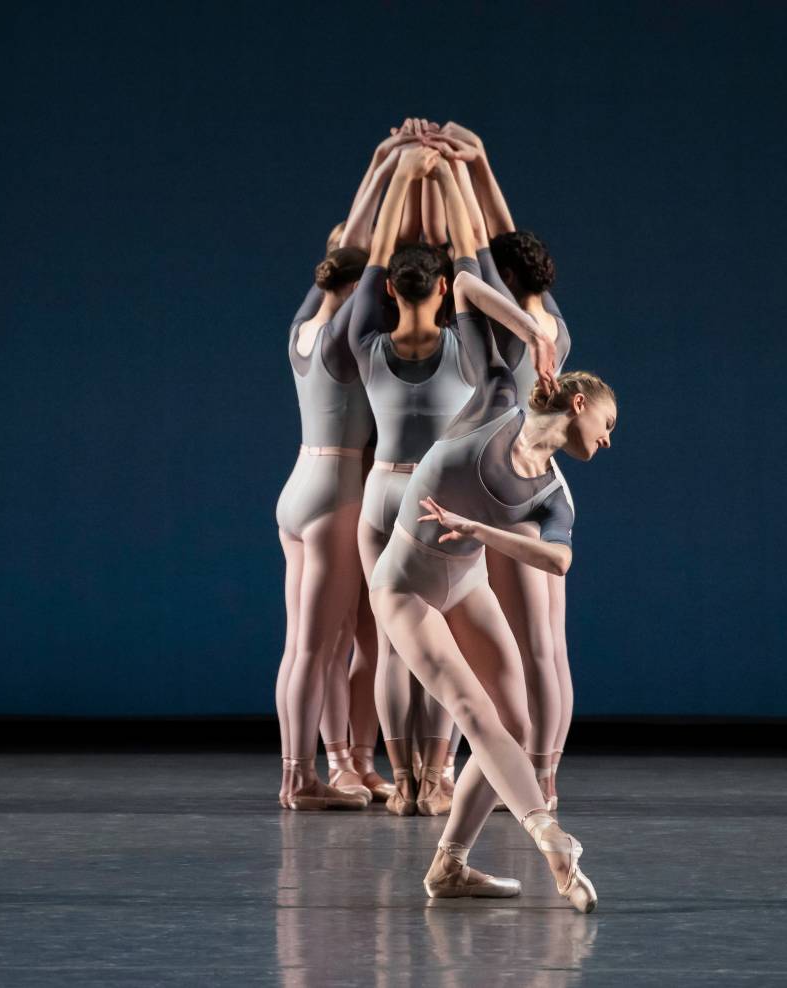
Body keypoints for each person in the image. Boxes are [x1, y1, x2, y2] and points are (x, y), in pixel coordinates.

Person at [369, 154, 615, 911]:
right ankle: (549, 838)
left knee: (508, 717)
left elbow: (558, 560)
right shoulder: (496, 395)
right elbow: (469, 284)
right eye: (607, 425)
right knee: (473, 712)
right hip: (405, 583)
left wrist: (480, 528)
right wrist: (531, 333)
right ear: (574, 406)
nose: (608, 441)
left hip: (465, 578)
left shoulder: (552, 490)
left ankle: (449, 864)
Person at [273, 135, 416, 810]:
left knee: (330, 642)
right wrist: (393, 179)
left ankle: (345, 764)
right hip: (336, 492)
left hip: (301, 485)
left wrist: (381, 164)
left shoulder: (304, 323)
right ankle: (300, 776)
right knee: (315, 647)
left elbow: (349, 253)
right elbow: (371, 254)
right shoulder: (344, 331)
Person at [348, 144, 491, 816]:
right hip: (435, 505)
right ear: (441, 290)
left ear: (387, 291)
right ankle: (436, 781)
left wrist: (394, 178)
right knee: (441, 644)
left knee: (390, 648)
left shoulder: (367, 347)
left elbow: (368, 264)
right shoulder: (466, 352)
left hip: (380, 496)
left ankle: (400, 782)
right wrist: (459, 175)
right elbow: (476, 264)